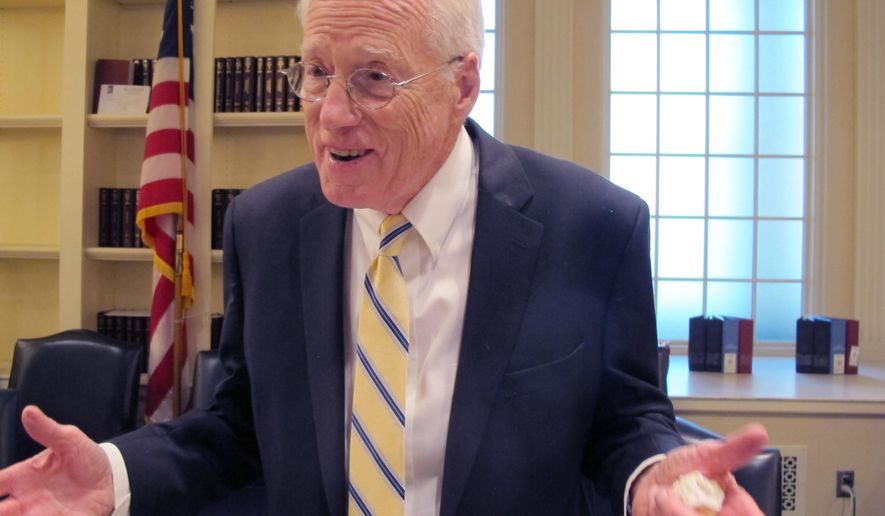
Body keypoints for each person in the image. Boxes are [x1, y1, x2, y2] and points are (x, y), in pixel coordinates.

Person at [0, 0, 769, 515]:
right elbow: (236, 424)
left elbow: (622, 420)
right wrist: (117, 473)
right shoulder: (266, 224)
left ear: (462, 82)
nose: (333, 114)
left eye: (374, 77)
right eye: (315, 72)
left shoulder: (592, 225)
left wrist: (650, 478)